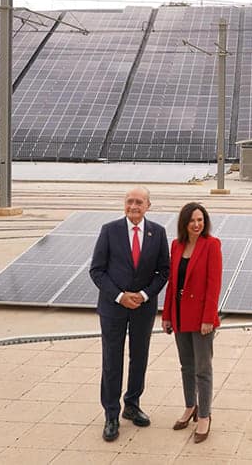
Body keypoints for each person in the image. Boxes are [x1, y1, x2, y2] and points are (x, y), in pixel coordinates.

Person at [89, 186, 169, 442]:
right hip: (113, 307)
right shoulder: (109, 231)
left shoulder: (158, 232)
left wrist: (144, 296)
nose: (133, 206)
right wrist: (120, 296)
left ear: (148, 205)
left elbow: (163, 271)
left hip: (143, 308)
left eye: (139, 202)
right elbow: (97, 270)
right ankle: (111, 413)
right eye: (129, 201)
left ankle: (132, 404)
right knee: (112, 361)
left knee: (139, 358)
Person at [162, 202, 222, 444]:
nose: (197, 224)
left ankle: (205, 415)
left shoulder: (212, 245)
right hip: (179, 315)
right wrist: (166, 315)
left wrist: (208, 317)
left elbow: (213, 284)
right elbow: (172, 283)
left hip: (201, 319)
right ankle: (190, 407)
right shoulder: (176, 245)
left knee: (202, 369)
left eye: (200, 220)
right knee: (186, 366)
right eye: (192, 221)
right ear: (184, 224)